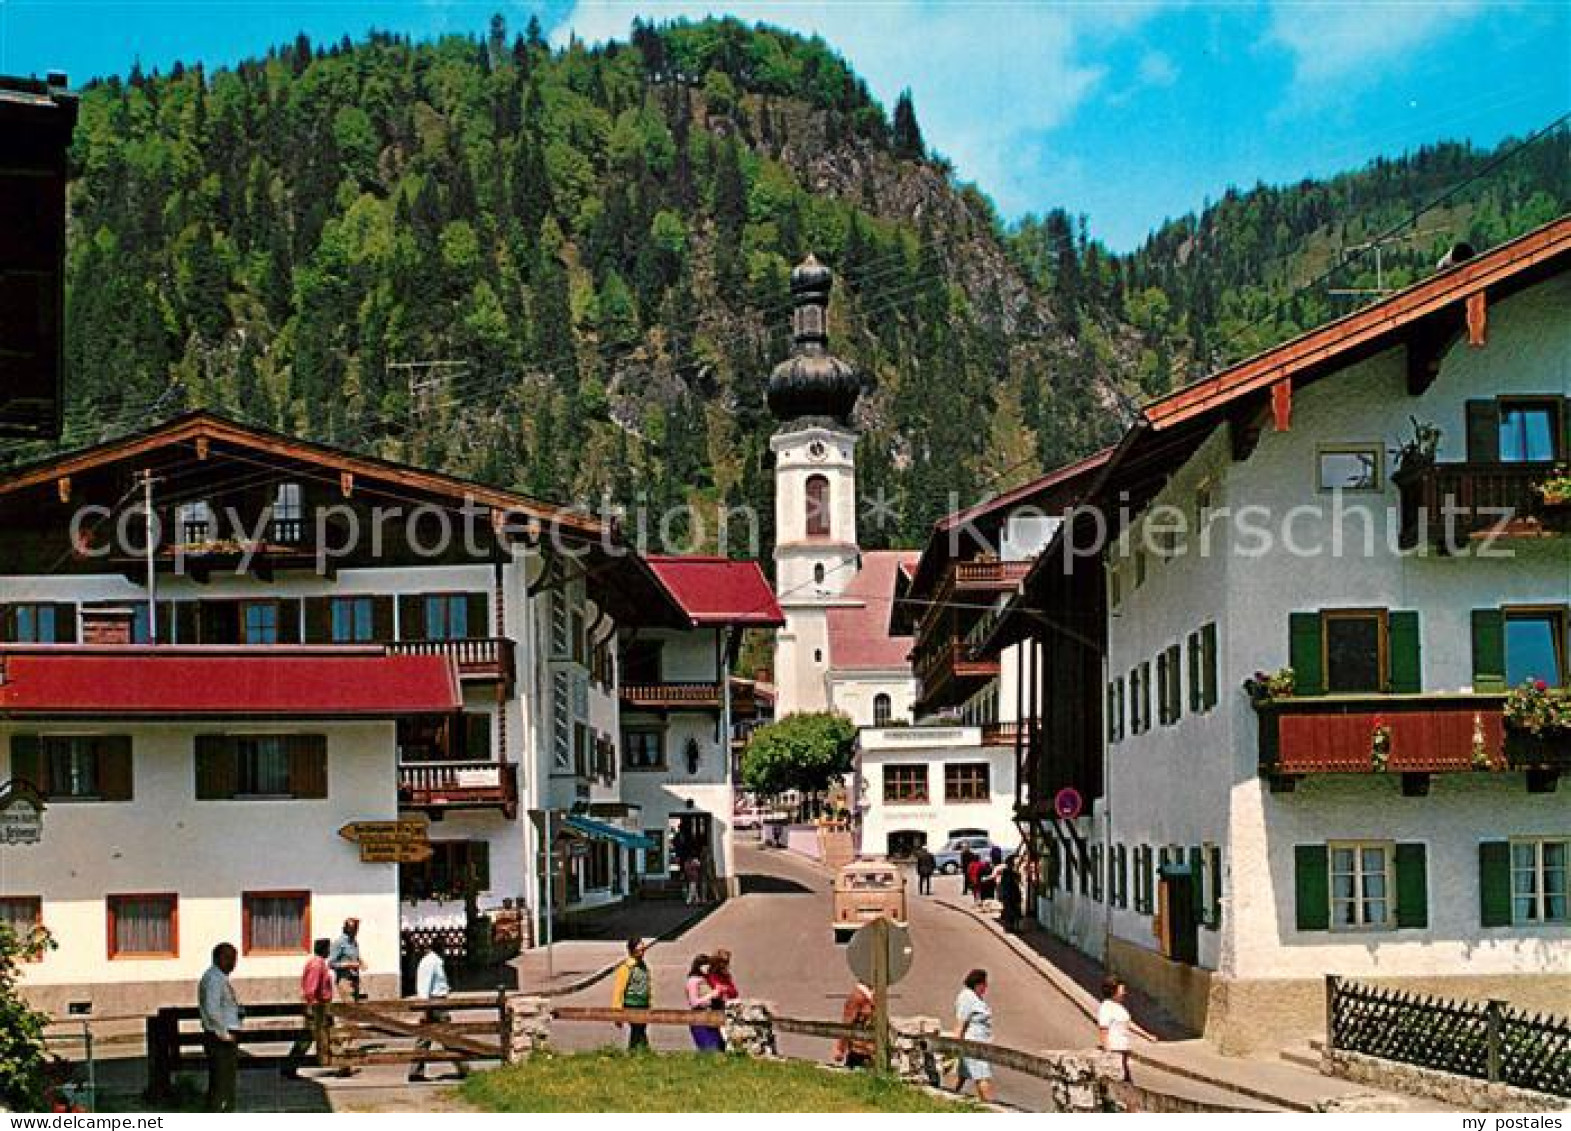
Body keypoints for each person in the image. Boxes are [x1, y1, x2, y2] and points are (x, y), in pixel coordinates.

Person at [409, 939, 468, 1082]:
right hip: (435, 1003)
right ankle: (463, 1068)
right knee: (448, 1035)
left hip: (436, 1001)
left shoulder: (434, 961)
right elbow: (424, 986)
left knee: (425, 1036)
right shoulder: (431, 962)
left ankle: (416, 1071)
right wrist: (424, 1006)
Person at [198, 943, 242, 1113]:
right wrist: (224, 1034)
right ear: (216, 958)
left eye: (233, 959)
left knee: (223, 1082)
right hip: (219, 1038)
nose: (231, 963)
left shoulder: (218, 977)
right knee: (222, 1084)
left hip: (221, 1035)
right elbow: (212, 1009)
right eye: (227, 958)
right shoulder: (215, 979)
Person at [284, 938, 334, 1078]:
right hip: (317, 1005)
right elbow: (311, 988)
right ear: (324, 949)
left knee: (312, 1036)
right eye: (328, 948)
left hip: (319, 1005)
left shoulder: (318, 963)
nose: (329, 951)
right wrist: (312, 1005)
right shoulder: (317, 965)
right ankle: (290, 1066)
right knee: (307, 1037)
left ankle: (290, 1066)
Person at [1098, 976, 1159, 1083]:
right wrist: (1108, 1053)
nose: (1124, 993)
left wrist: (1147, 1036)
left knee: (1126, 1082)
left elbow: (1129, 1024)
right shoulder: (1106, 1008)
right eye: (1121, 990)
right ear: (1113, 991)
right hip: (1115, 1051)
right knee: (1122, 1083)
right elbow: (1103, 1030)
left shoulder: (1119, 1007)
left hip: (1123, 1050)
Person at [953, 968, 994, 1104]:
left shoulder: (976, 998)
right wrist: (955, 1045)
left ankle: (949, 1095)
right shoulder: (967, 997)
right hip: (973, 1044)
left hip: (980, 1042)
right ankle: (989, 1107)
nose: (986, 987)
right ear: (977, 983)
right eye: (984, 983)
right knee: (983, 1076)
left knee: (963, 1075)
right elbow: (961, 1022)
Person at [327, 918, 362, 1076]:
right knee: (349, 1015)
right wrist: (348, 965)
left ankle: (347, 1048)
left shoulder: (354, 943)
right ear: (347, 929)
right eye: (354, 928)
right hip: (344, 980)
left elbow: (354, 957)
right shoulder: (339, 943)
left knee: (353, 1015)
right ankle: (343, 1051)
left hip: (354, 979)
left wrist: (360, 962)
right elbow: (331, 963)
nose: (356, 931)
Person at [611, 936, 653, 1049]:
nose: (642, 953)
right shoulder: (627, 968)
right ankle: (640, 1051)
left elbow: (646, 986)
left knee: (639, 1030)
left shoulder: (643, 966)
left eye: (643, 950)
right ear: (631, 950)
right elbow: (618, 990)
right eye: (639, 950)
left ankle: (636, 1052)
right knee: (637, 1030)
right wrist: (617, 1013)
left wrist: (649, 1003)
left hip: (643, 1004)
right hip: (631, 1004)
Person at [685, 954, 725, 1051]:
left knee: (719, 1048)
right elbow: (694, 1002)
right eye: (705, 965)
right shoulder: (693, 981)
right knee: (710, 1049)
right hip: (699, 1019)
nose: (708, 967)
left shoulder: (705, 979)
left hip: (711, 1018)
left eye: (709, 965)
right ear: (698, 966)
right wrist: (711, 995)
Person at [833, 982, 876, 1069]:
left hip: (872, 1051)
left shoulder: (873, 995)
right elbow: (847, 1023)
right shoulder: (856, 997)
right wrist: (840, 1049)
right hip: (858, 1051)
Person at [998, 856, 1024, 932]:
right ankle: (1012, 927)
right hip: (1011, 894)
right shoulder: (1010, 872)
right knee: (1013, 911)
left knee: (1010, 911)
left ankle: (1009, 927)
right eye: (1013, 862)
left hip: (1008, 894)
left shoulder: (1006, 872)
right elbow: (1018, 880)